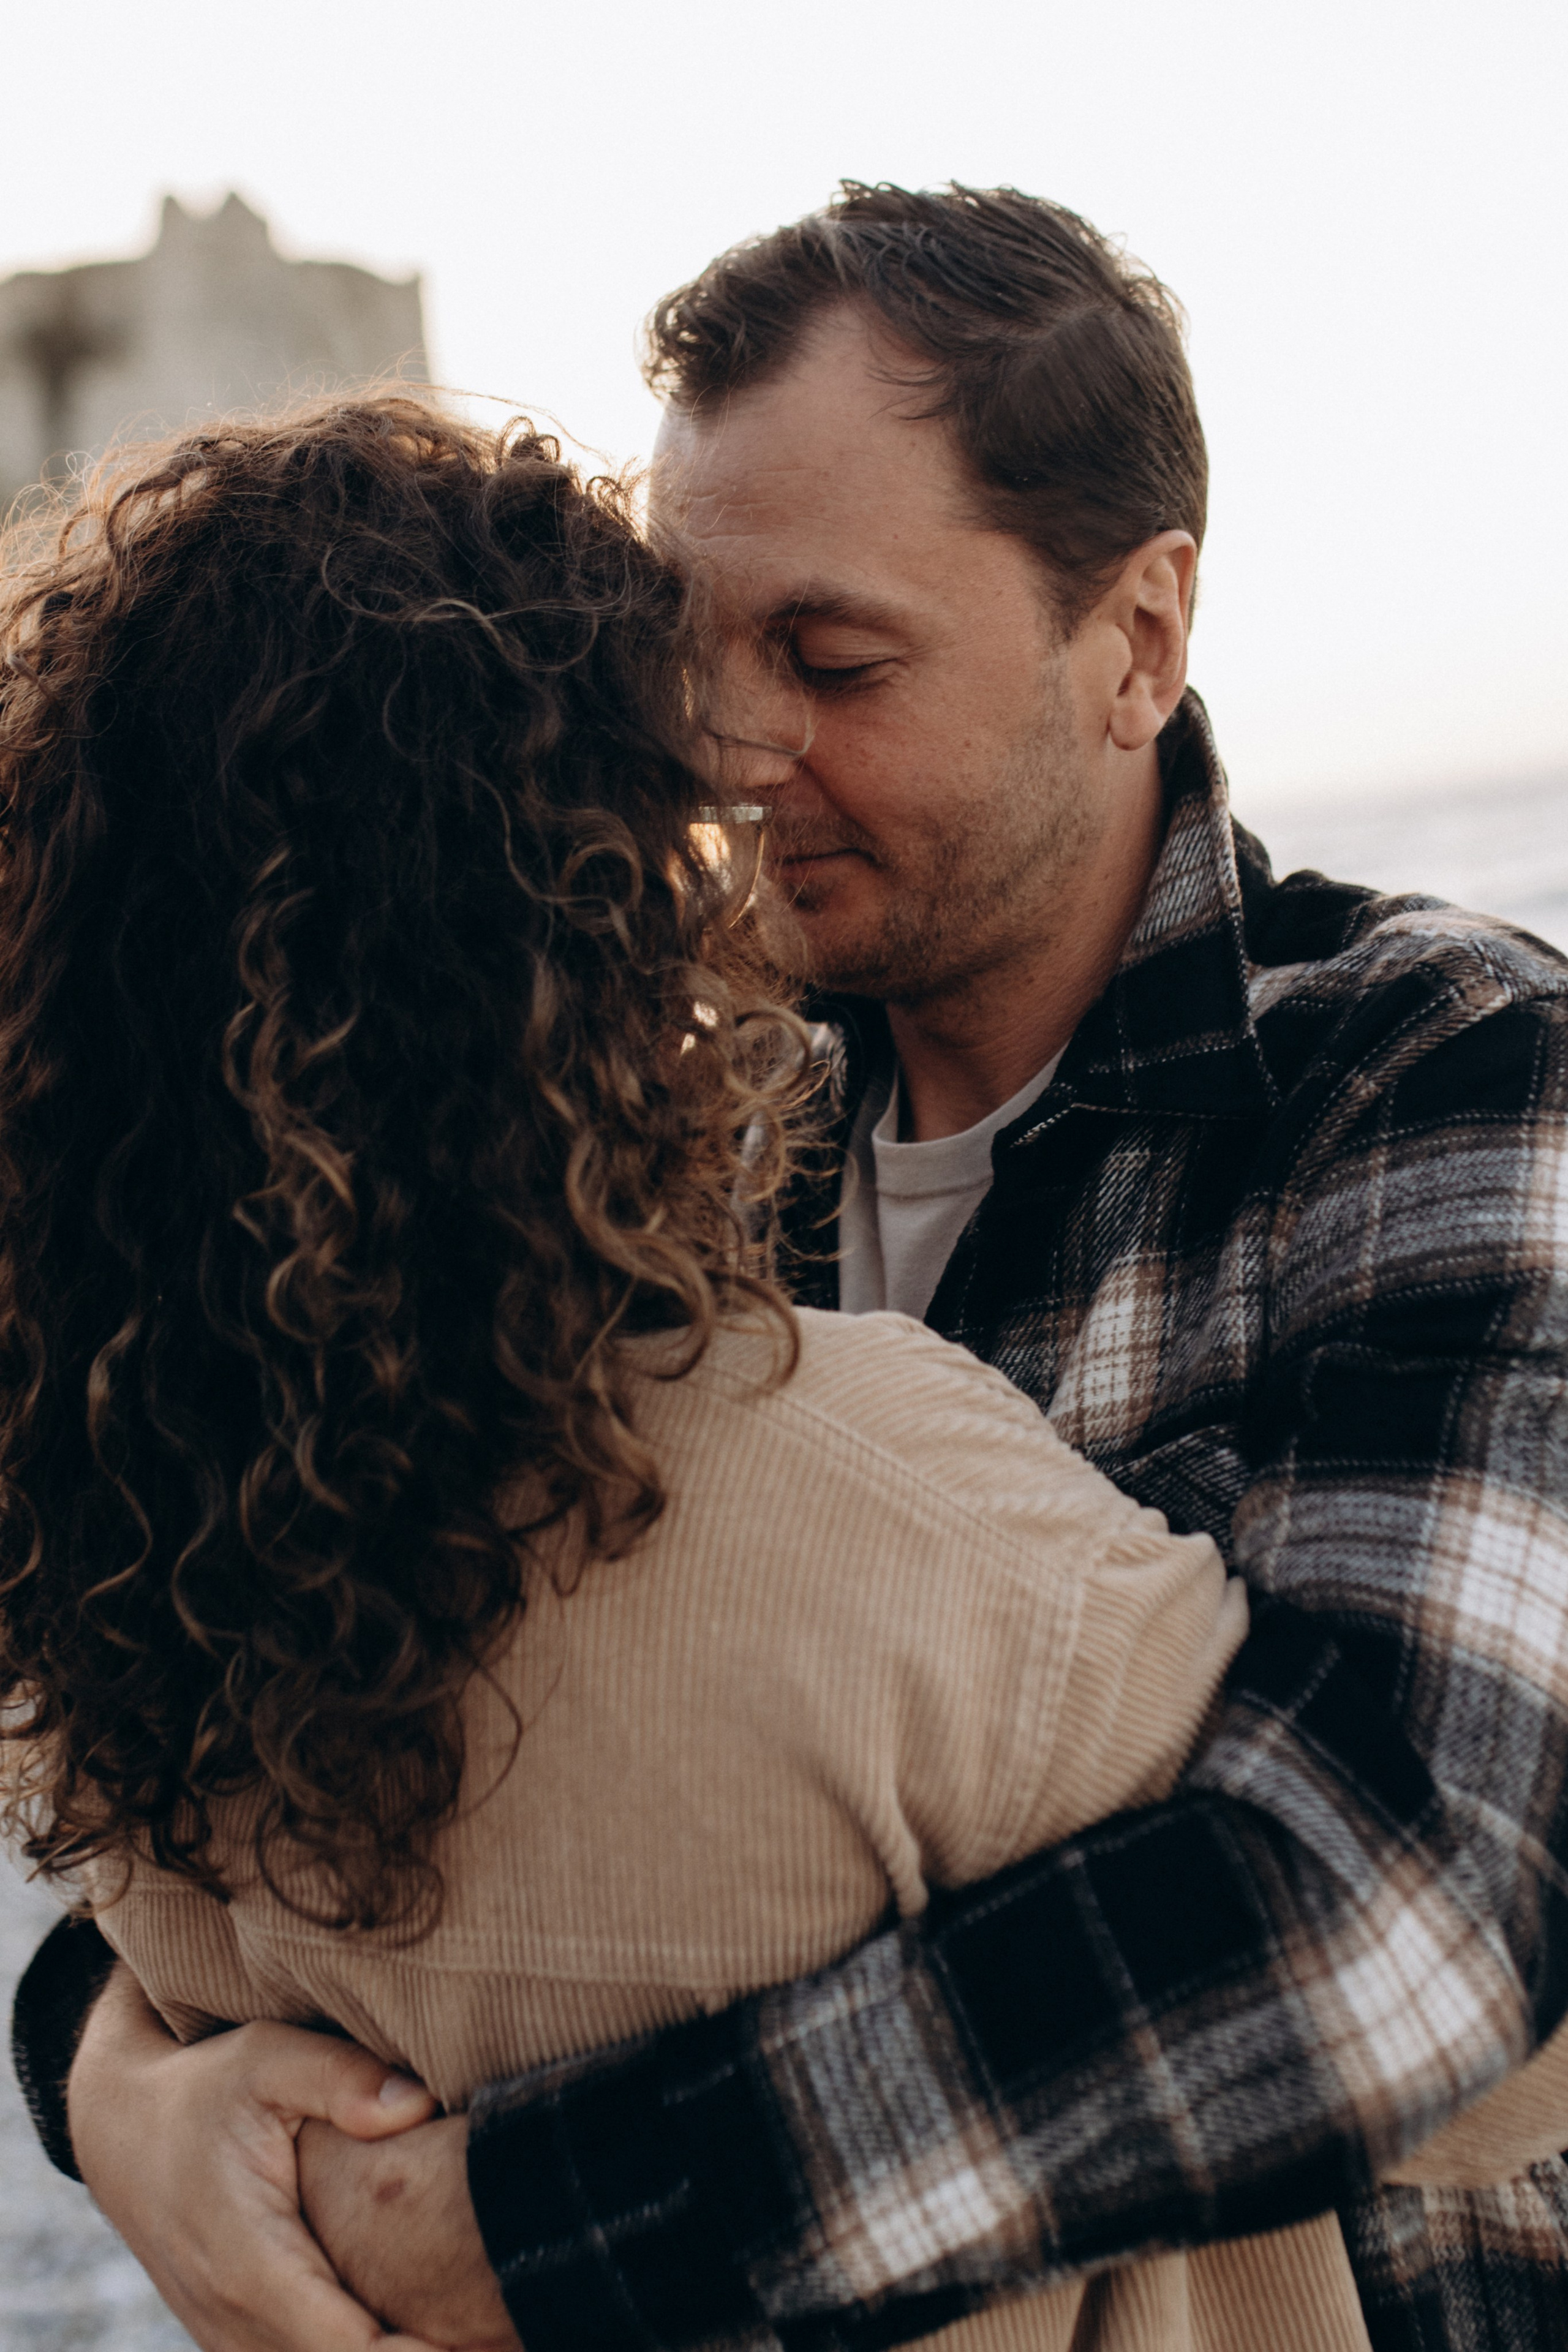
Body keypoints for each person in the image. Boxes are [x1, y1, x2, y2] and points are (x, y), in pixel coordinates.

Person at [17, 184, 1568, 2351]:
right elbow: (339, 1682)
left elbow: (1411, 1910)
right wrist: (113, 2084)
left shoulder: (1444, 1069)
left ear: (1136, 638)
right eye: (685, 645)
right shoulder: (637, 1138)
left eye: (830, 661)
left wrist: (535, 2229)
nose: (724, 747)